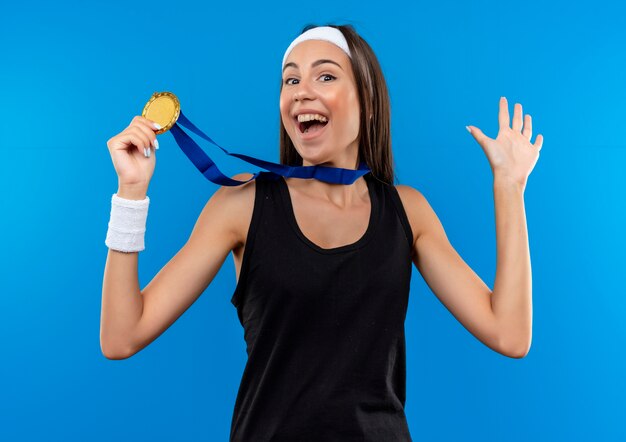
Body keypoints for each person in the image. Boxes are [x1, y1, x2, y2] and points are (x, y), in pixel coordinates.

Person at [101, 23, 543, 442]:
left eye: (325, 76)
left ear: (366, 100)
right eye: (290, 81)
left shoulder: (409, 212)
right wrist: (131, 194)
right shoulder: (241, 204)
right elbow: (122, 336)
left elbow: (509, 334)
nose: (301, 93)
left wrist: (509, 188)